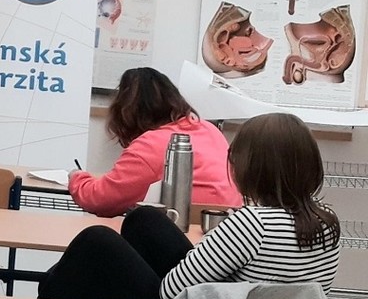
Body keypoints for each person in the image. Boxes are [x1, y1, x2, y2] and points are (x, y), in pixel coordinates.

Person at [40, 112, 341, 299]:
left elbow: (170, 291)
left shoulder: (252, 224)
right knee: (144, 220)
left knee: (97, 241)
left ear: (249, 168)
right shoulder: (327, 222)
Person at [69, 67, 242, 217]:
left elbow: (101, 200)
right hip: (222, 228)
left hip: (183, 231)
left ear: (126, 112)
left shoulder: (150, 145)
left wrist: (76, 177)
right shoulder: (209, 130)